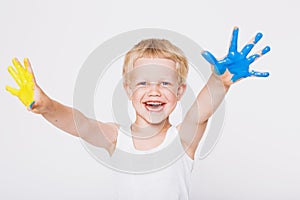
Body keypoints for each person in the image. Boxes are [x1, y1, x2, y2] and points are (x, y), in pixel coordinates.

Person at [6, 27, 270, 200]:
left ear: (180, 92)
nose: (154, 90)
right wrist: (47, 106)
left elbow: (200, 112)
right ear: (128, 88)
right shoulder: (115, 138)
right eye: (143, 82)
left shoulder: (182, 139)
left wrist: (219, 82)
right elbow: (80, 124)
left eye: (165, 83)